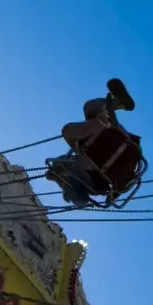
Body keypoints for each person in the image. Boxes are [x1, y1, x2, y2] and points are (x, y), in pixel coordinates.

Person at [46, 79, 139, 208]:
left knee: (84, 115)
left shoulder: (75, 177)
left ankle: (109, 113)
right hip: (119, 154)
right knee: (74, 126)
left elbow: (80, 201)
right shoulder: (75, 181)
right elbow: (81, 201)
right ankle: (109, 113)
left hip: (111, 156)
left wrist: (57, 178)